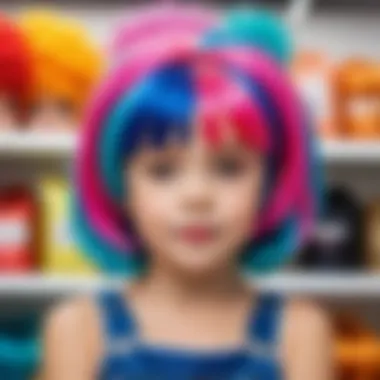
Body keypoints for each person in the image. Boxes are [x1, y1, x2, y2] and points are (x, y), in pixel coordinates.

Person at [42, 5, 333, 380]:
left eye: (229, 168)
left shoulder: (301, 333)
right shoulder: (78, 331)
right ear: (120, 185)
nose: (197, 196)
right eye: (163, 171)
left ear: (271, 182)